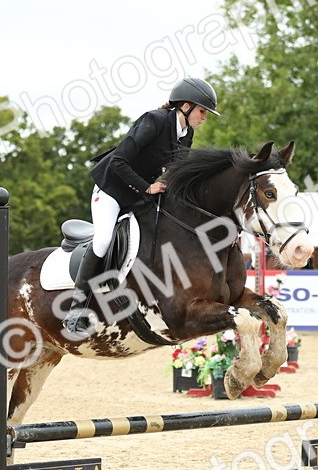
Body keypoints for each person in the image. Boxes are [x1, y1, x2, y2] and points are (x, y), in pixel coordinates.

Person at [64, 76, 219, 334]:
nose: (204, 118)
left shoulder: (186, 134)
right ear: (185, 106)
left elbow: (174, 170)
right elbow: (118, 162)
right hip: (111, 189)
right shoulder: (154, 121)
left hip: (138, 195)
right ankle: (76, 309)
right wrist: (147, 187)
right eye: (203, 111)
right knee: (103, 240)